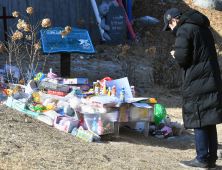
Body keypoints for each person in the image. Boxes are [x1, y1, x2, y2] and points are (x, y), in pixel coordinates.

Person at [163, 8, 222, 169]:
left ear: (173, 21)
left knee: (199, 118)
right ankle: (211, 159)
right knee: (209, 119)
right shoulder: (203, 27)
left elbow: (183, 59)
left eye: (169, 27)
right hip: (211, 78)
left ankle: (201, 158)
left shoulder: (183, 29)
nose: (171, 31)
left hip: (197, 80)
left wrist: (175, 54)